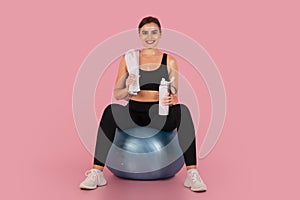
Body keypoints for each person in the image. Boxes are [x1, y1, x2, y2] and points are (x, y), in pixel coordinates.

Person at [79, 16, 207, 192]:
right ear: (139, 35)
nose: (150, 36)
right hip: (134, 113)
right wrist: (128, 86)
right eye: (145, 32)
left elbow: (175, 94)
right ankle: (96, 172)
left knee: (183, 111)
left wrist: (171, 98)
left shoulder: (169, 61)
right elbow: (117, 94)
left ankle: (192, 174)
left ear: (160, 34)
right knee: (110, 110)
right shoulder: (129, 59)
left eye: (154, 32)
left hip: (159, 115)